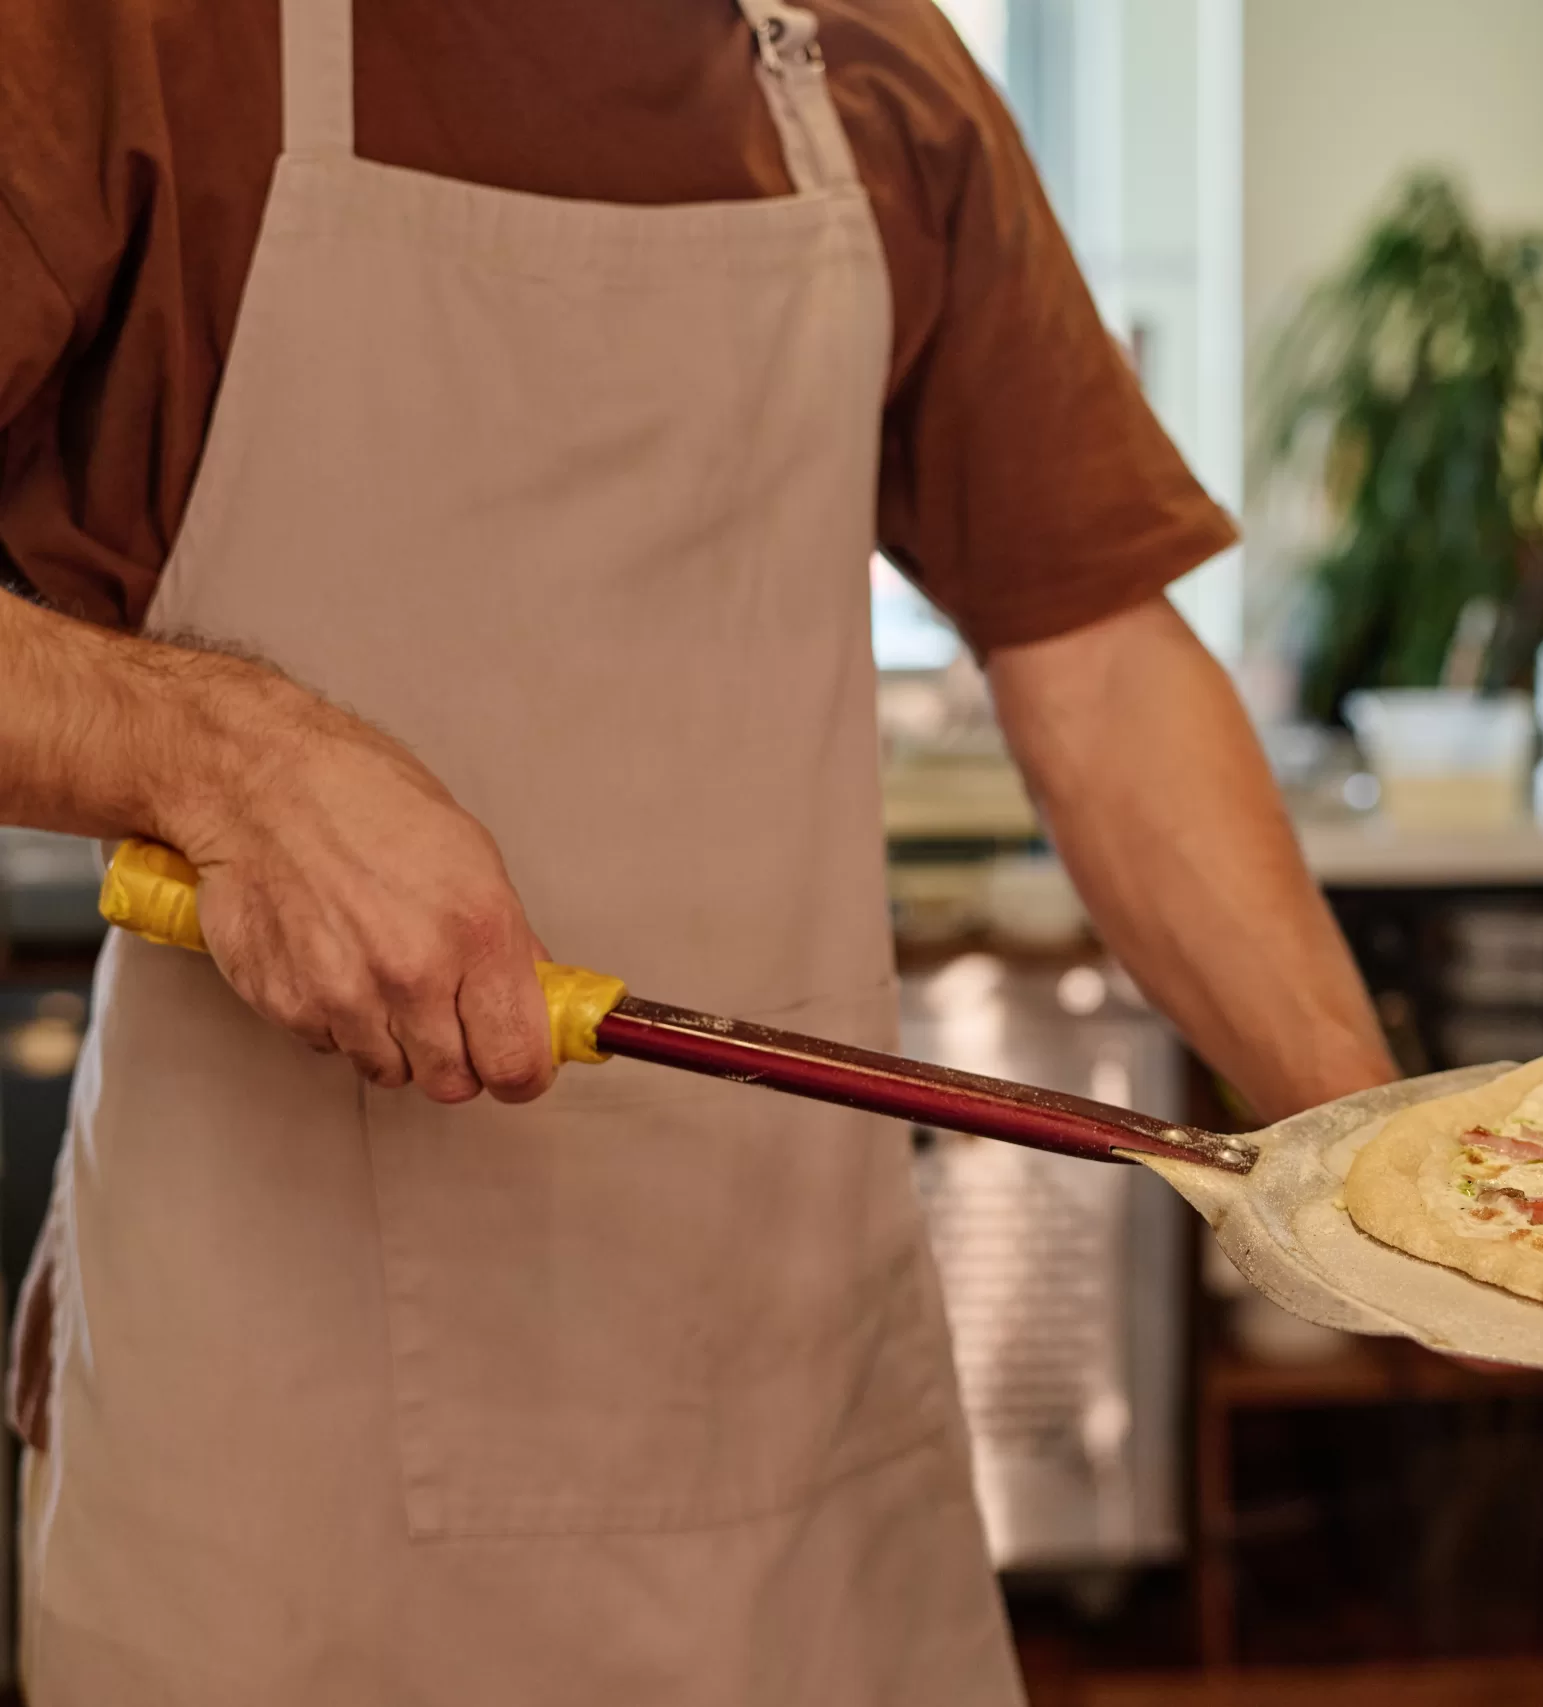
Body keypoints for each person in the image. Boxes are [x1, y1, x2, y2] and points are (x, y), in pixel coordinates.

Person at [0, 0, 1398, 1699]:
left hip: (793, 1437)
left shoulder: (883, 80)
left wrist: (1397, 1176)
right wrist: (227, 757)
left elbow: (1095, 654)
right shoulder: (119, 37)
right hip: (271, 1443)